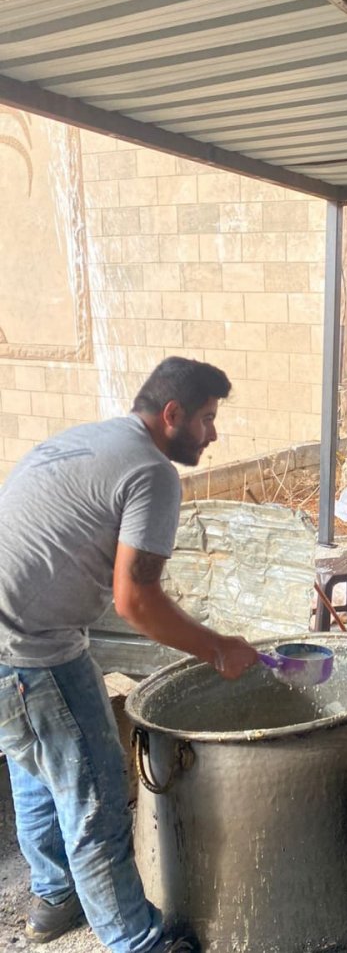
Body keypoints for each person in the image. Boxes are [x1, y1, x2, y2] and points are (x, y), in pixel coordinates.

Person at [0, 357, 260, 952]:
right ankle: (136, 941)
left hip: (10, 644)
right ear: (172, 414)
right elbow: (135, 600)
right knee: (94, 798)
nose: (213, 434)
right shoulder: (152, 472)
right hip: (33, 651)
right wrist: (218, 650)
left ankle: (55, 897)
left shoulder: (88, 439)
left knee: (37, 769)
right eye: (207, 419)